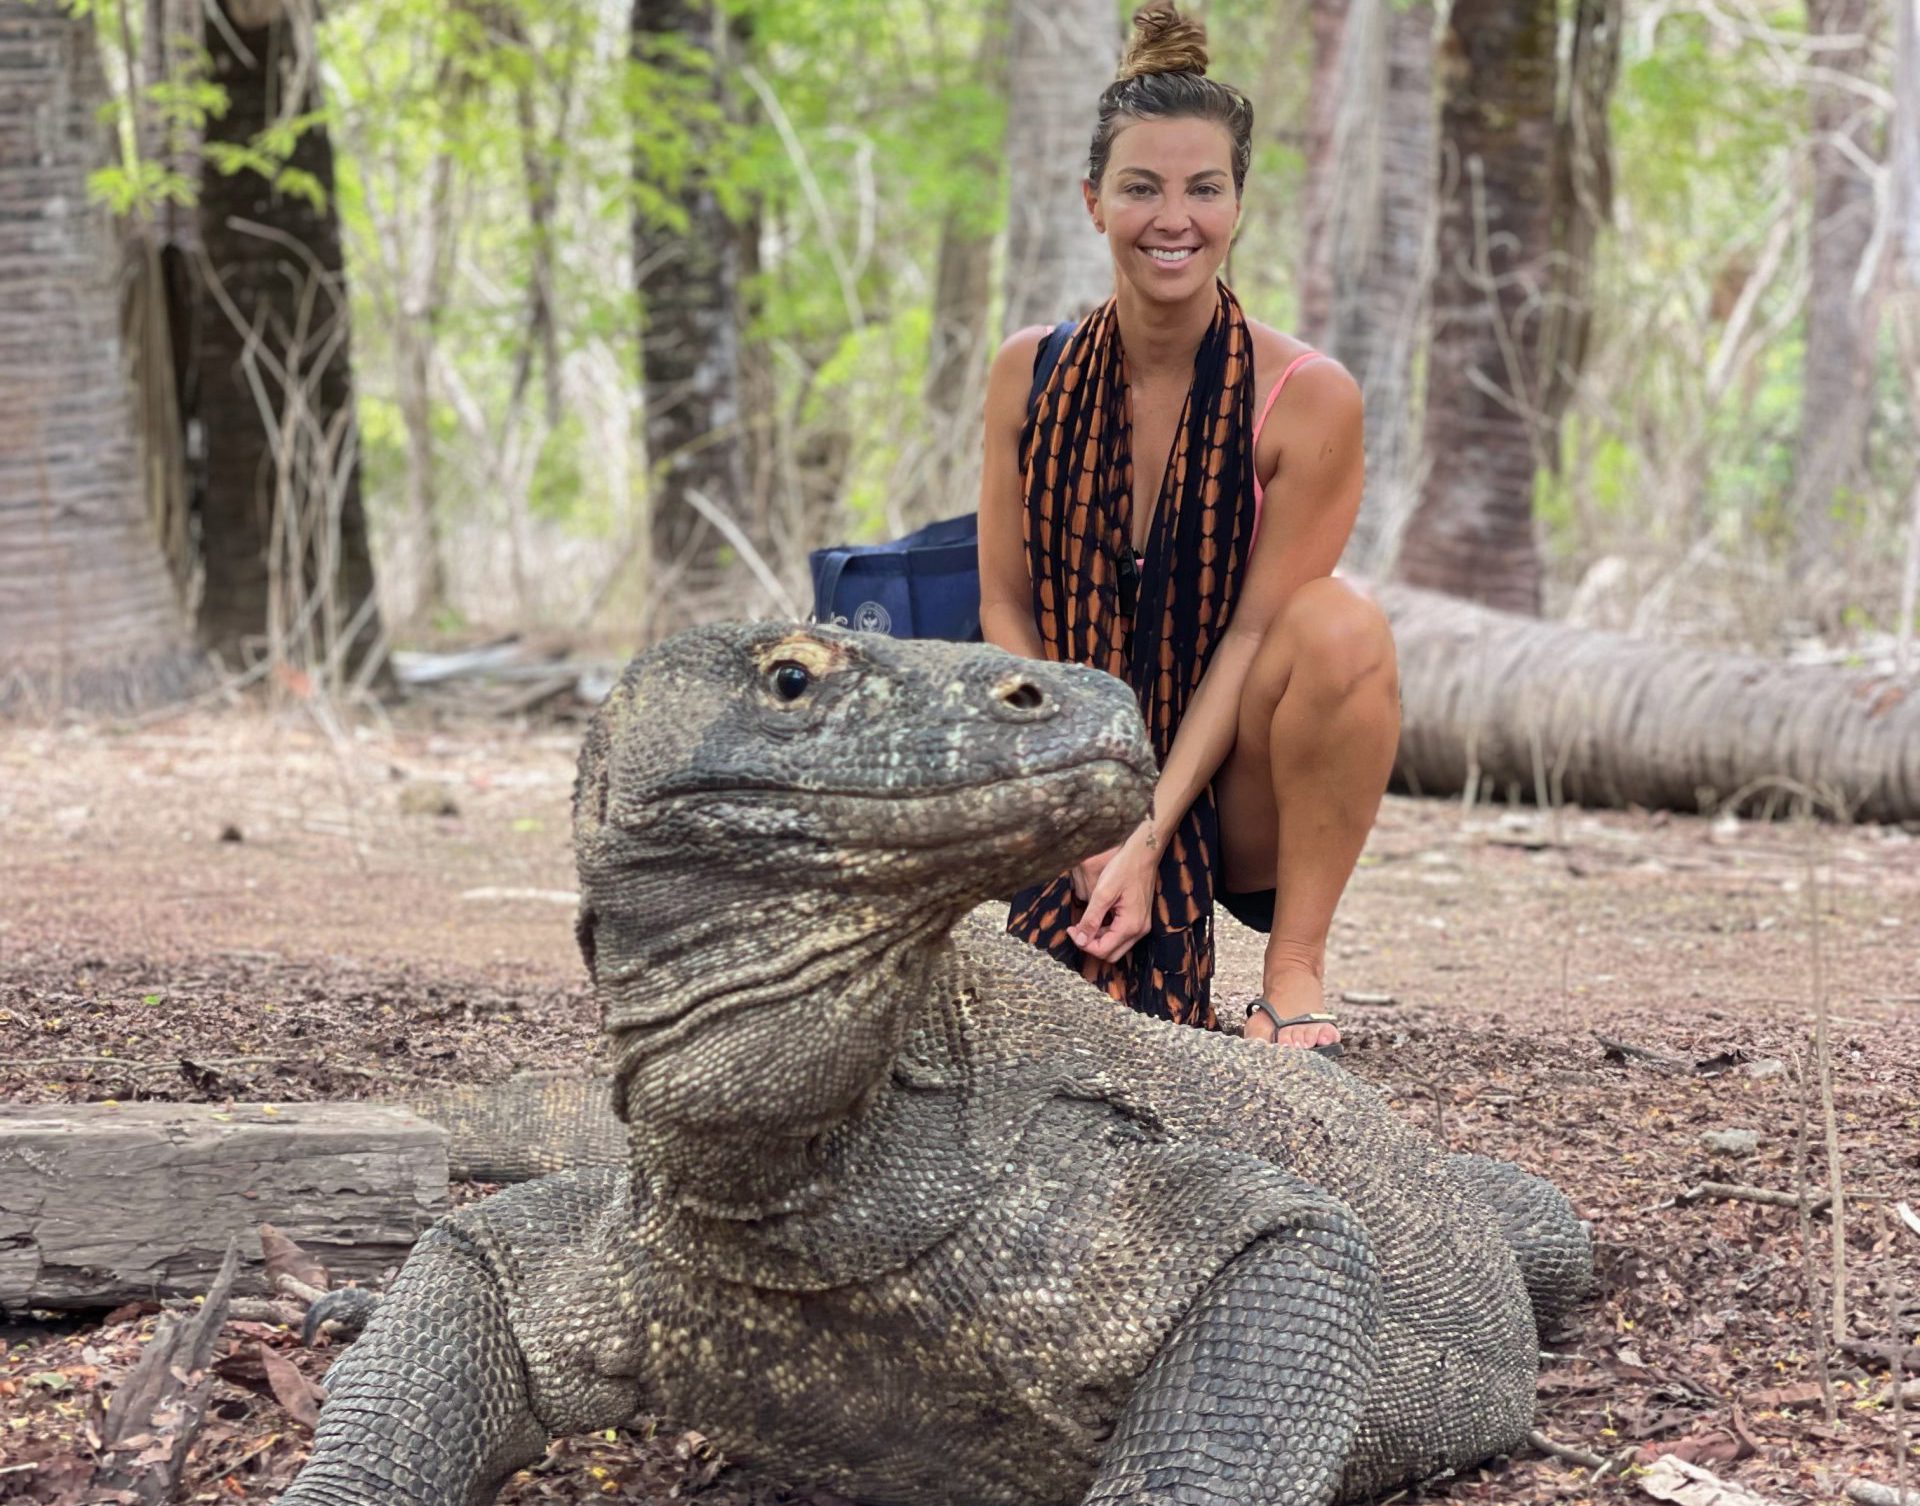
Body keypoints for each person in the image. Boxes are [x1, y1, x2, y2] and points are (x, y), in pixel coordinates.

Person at [976, 2, 1400, 1052]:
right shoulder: (1029, 372)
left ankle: (1292, 969)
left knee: (1341, 629)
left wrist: (1150, 824)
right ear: (1093, 202)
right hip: (1062, 765)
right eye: (1142, 187)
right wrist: (1088, 807)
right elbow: (1004, 607)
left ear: (1240, 205)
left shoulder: (1307, 396)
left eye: (1204, 188)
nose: (1176, 218)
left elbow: (1258, 636)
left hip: (1225, 785)